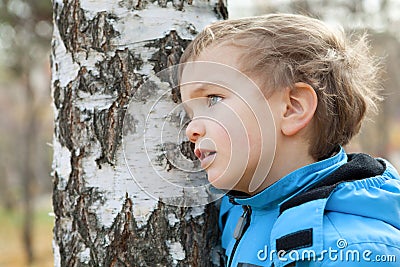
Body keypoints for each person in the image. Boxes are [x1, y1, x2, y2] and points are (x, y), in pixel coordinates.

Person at [178, 13, 400, 267]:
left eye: (214, 99)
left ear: (292, 108)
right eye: (190, 114)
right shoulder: (238, 210)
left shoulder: (353, 251)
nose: (191, 129)